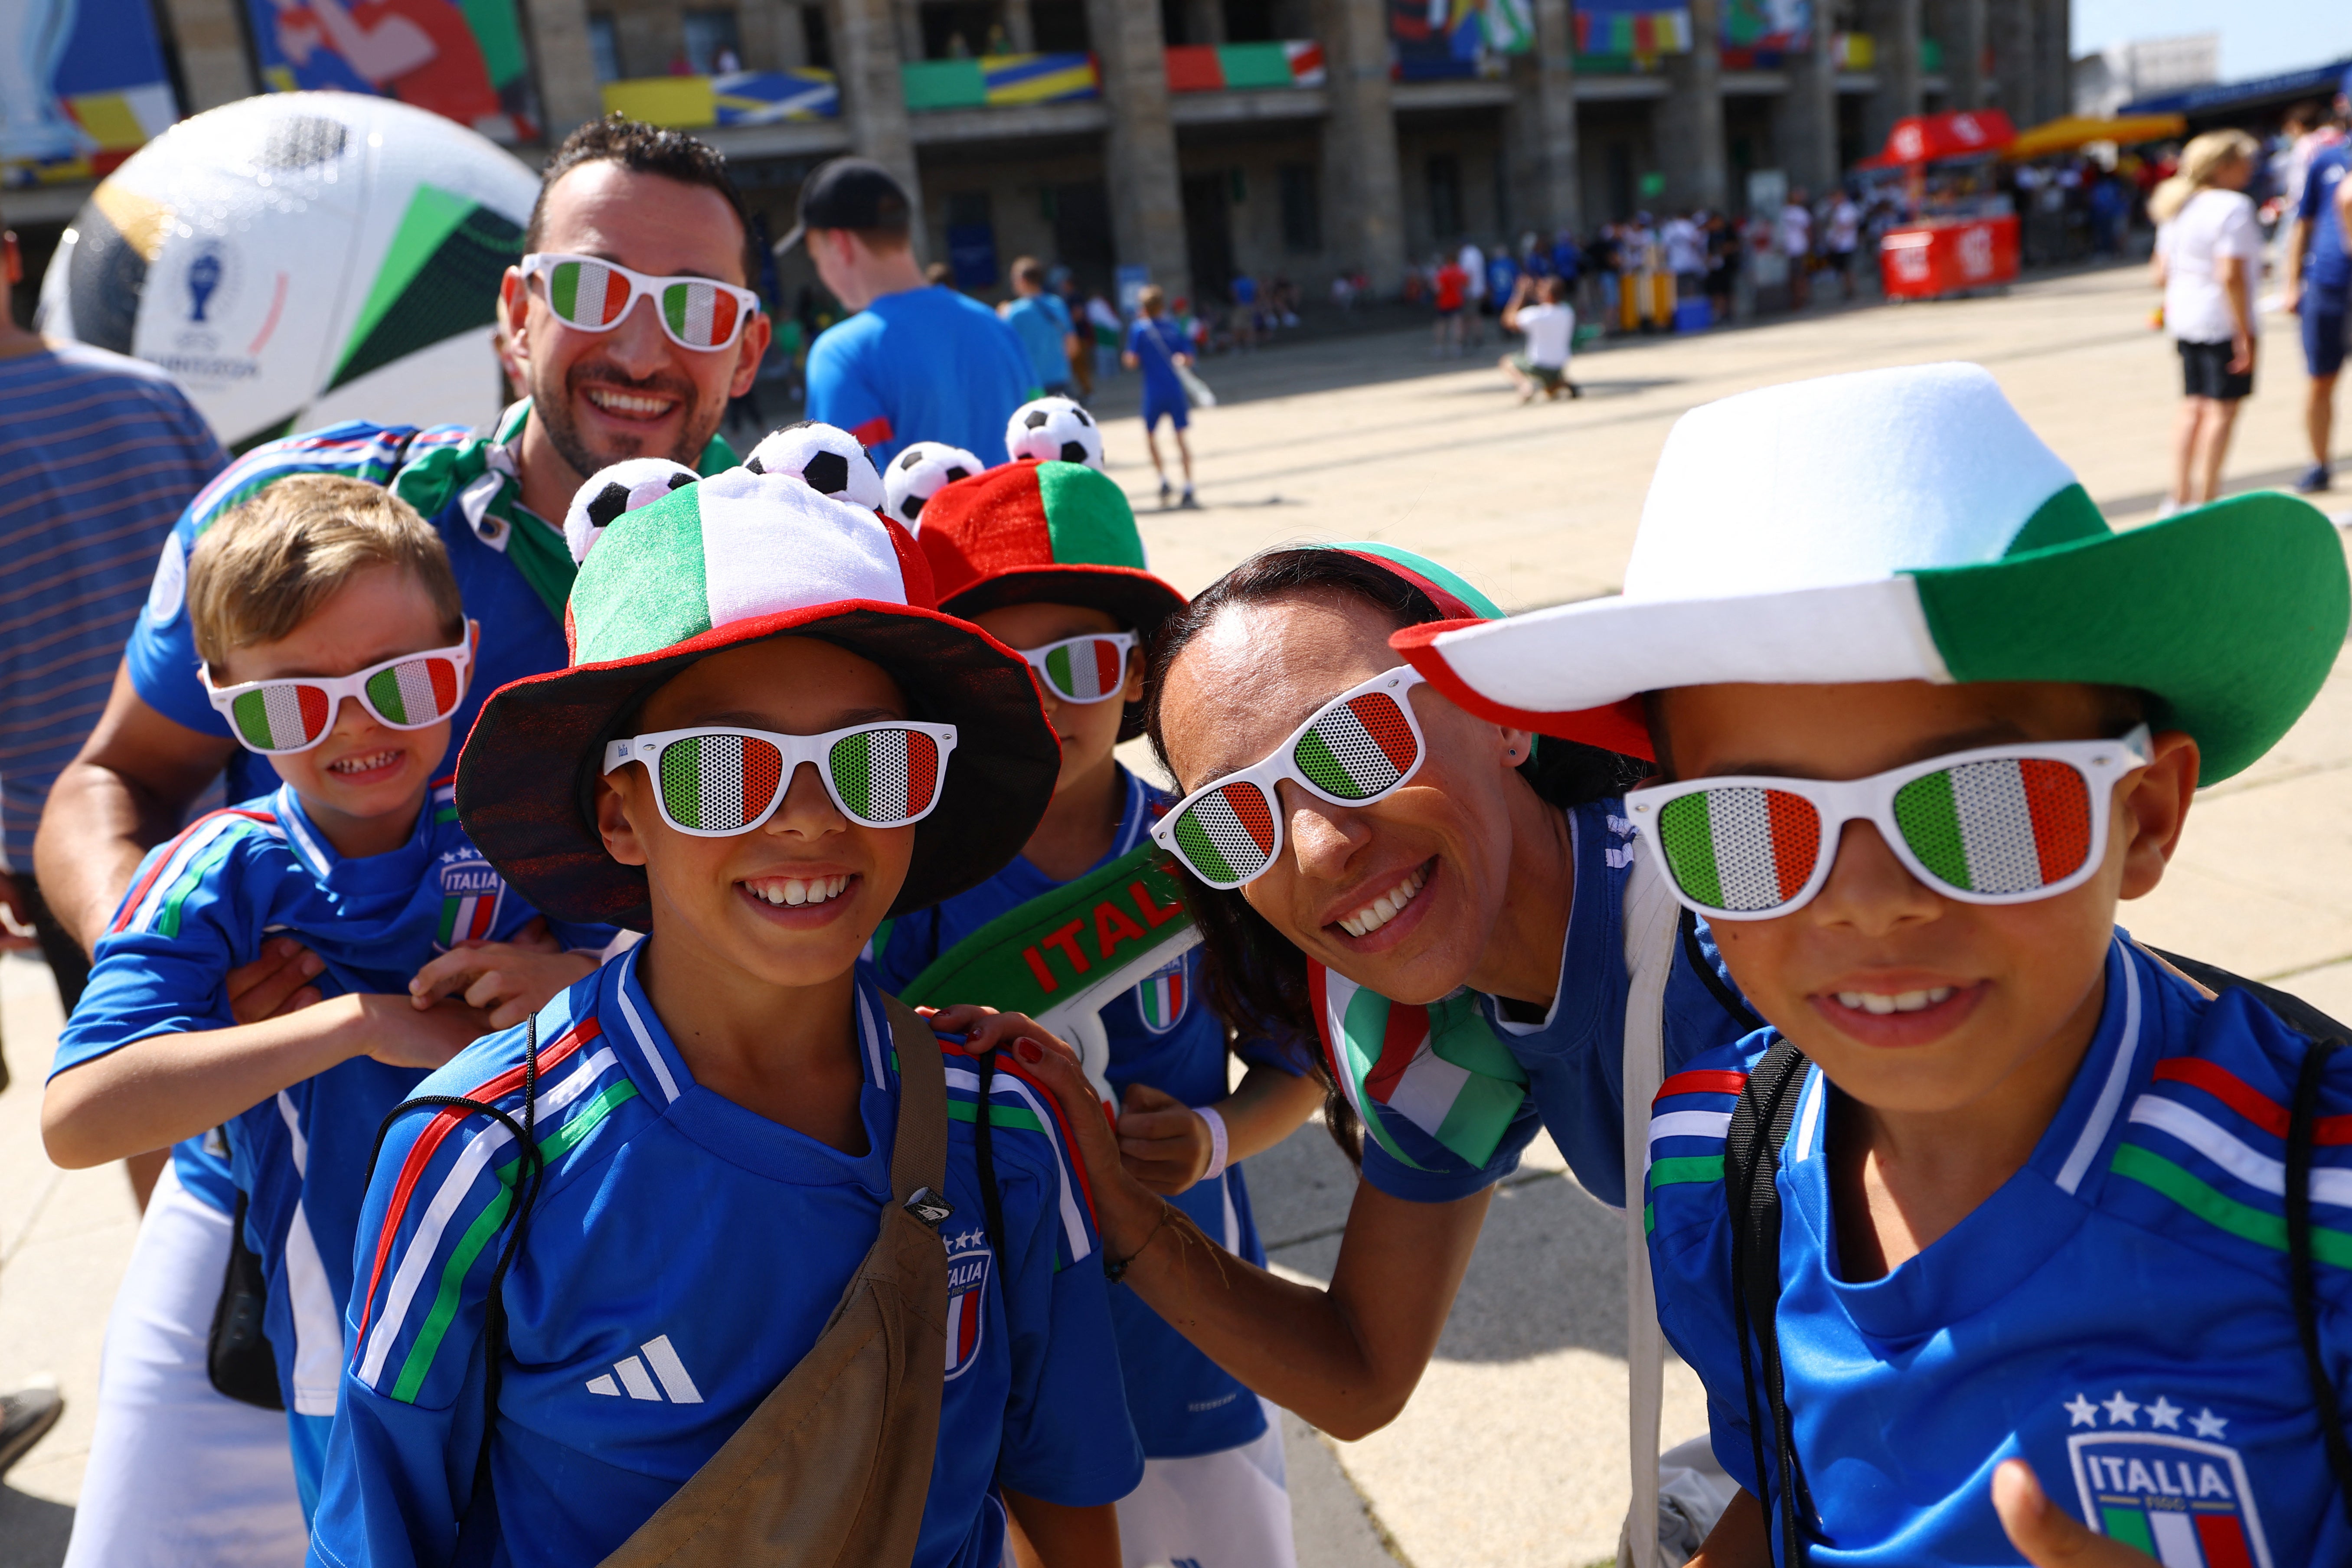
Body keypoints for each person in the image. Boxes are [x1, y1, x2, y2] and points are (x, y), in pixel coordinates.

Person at [1398, 360, 2352, 1568]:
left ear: (2147, 819)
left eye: (1985, 807)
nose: (1868, 905)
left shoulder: (2314, 1200)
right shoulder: (1708, 1156)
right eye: (1747, 826)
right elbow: (1781, 1486)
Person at [36, 114, 761, 1568]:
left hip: (625, 1209)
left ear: (746, 352)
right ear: (516, 310)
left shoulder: (785, 568)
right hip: (282, 1205)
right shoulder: (312, 513)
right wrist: (178, 956)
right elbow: (103, 783)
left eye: (695, 309)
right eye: (598, 288)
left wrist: (607, 993)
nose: (641, 345)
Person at [312, 463, 1142, 1565]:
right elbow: (379, 1530)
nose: (806, 817)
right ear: (619, 816)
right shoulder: (480, 1155)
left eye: (873, 760)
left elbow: (1063, 1489)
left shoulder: (1004, 1124)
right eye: (720, 769)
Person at [938, 540, 1757, 1490]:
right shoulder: (1432, 1033)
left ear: (1503, 717)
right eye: (1234, 821)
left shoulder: (1739, 924)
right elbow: (1357, 1370)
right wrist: (1113, 1197)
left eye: (1356, 742)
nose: (1320, 846)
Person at [42, 475, 611, 1519]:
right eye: (295, 700)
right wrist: (358, 1024)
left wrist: (576, 988)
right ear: (224, 701)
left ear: (466, 656)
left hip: (563, 1334)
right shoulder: (222, 870)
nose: (355, 724)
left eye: (400, 680)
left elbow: (692, 1009)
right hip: (356, 1359)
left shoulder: (527, 828)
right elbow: (80, 1116)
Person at [885, 461, 1323, 1566]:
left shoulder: (1210, 843)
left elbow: (1298, 1067)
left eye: (1077, 662)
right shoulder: (911, 875)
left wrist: (1215, 1135)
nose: (1044, 699)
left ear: (1136, 674)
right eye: (1002, 665)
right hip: (993, 1330)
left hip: (1186, 1325)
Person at [0, 190, 225, 1040]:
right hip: (231, 810)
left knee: (148, 1098)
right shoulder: (152, 395)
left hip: (62, 847)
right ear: (13, 258)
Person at [790, 157, 1038, 467]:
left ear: (840, 245)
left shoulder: (842, 355)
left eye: (816, 256)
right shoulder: (998, 327)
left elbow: (853, 505)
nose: (822, 274)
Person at [2150, 130, 2263, 513]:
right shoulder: (2232, 207)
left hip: (2185, 317)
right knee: (2222, 410)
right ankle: (2208, 497)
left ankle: (2178, 495)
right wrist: (2245, 334)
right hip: (2221, 319)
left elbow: (2160, 273)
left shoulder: (2177, 206)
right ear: (2225, 166)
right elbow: (2229, 274)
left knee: (2192, 406)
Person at [2282, 73, 2352, 495]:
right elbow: (2302, 225)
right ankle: (2319, 462)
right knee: (2320, 378)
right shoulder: (2327, 159)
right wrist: (2292, 283)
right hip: (2327, 284)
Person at [1123, 284, 1198, 510]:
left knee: (1150, 436)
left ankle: (1163, 480)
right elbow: (1188, 358)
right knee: (1181, 439)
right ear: (1162, 306)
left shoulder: (1139, 330)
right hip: (1174, 390)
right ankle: (1189, 486)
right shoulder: (1173, 327)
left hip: (1154, 392)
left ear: (1143, 308)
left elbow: (1131, 361)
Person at [1001, 255, 1080, 400]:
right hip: (1060, 380)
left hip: (1030, 386)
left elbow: (1004, 351)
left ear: (1022, 280)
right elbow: (1073, 346)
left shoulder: (1012, 312)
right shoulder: (1057, 304)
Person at [1498, 274, 1579, 402]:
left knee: (1507, 362)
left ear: (1549, 295)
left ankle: (1526, 387)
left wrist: (1521, 295)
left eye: (1542, 290)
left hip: (1538, 363)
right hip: (1560, 364)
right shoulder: (1567, 311)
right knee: (1549, 390)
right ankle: (1562, 383)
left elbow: (1508, 321)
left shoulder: (1536, 315)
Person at [1822, 188, 1862, 301]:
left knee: (1848, 268)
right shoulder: (1833, 210)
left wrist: (1838, 233)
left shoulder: (1848, 209)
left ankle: (1851, 290)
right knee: (1842, 269)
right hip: (1837, 244)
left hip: (1847, 244)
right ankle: (1847, 289)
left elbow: (1849, 225)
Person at [1778, 189, 1812, 309]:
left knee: (1799, 275)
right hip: (1791, 248)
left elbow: (1807, 229)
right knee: (1795, 275)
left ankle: (1802, 297)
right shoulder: (1784, 212)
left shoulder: (1799, 212)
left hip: (1798, 247)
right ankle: (1798, 297)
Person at [1431, 251, 1468, 356]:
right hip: (1457, 301)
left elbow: (1438, 289)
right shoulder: (1460, 271)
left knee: (1441, 325)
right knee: (1457, 325)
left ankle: (1439, 347)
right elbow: (1466, 284)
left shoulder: (1443, 272)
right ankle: (1457, 347)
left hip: (1444, 302)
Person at [1458, 237, 1488, 346]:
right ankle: (1476, 336)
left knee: (1470, 316)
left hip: (1471, 290)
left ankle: (1469, 338)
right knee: (1475, 314)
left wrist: (1467, 289)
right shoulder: (1477, 252)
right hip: (1478, 288)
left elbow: (1468, 273)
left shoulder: (1467, 254)